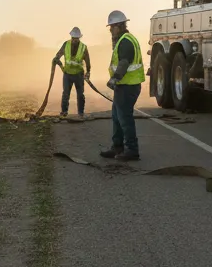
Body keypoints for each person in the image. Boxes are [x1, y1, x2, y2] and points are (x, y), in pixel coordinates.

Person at [100, 10, 145, 161]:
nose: (110, 31)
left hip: (128, 86)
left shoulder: (125, 41)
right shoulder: (124, 40)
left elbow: (124, 62)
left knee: (124, 118)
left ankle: (132, 149)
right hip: (124, 86)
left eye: (111, 27)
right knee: (117, 116)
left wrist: (114, 78)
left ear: (118, 26)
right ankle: (117, 147)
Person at [53, 27, 91, 118]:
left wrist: (88, 72)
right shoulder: (66, 44)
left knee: (80, 95)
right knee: (66, 94)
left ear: (79, 38)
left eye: (76, 39)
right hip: (67, 74)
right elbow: (58, 55)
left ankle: (81, 113)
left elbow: (88, 61)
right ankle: (64, 112)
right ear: (71, 37)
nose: (74, 40)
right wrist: (57, 59)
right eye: (73, 38)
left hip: (79, 75)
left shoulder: (83, 47)